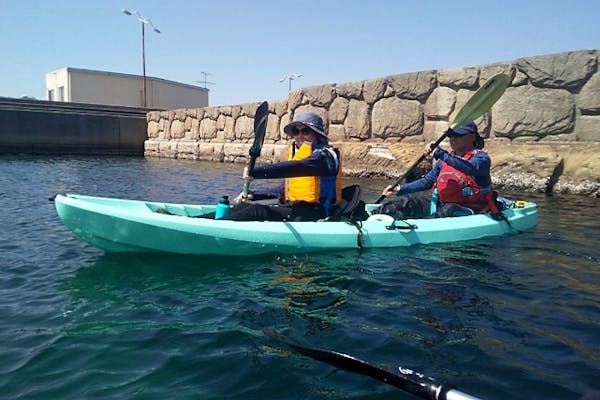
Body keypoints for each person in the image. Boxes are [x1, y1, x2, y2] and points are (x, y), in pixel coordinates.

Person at [217, 112, 343, 221]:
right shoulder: (297, 154)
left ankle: (217, 230)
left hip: (317, 213)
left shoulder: (327, 157)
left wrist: (256, 172)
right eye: (296, 131)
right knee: (242, 207)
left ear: (317, 134)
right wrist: (254, 194)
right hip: (295, 208)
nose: (299, 136)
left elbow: (300, 167)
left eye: (305, 131)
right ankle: (201, 222)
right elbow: (282, 191)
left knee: (257, 211)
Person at [376, 122, 500, 219]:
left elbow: (469, 168)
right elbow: (427, 181)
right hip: (441, 205)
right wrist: (400, 189)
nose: (453, 139)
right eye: (451, 135)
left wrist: (440, 153)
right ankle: (371, 217)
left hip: (471, 208)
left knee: (448, 210)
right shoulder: (444, 161)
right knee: (405, 203)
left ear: (472, 137)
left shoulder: (481, 158)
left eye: (458, 135)